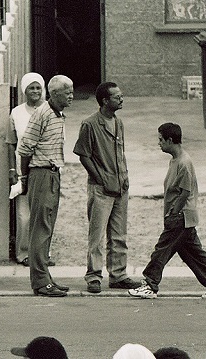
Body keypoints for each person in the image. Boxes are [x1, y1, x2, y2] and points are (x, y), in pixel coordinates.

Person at [129, 123, 206, 299]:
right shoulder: (176, 160)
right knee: (194, 255)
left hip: (181, 216)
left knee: (162, 250)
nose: (158, 143)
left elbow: (185, 192)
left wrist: (173, 212)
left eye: (161, 140)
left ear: (170, 140)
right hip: (184, 217)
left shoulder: (184, 162)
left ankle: (150, 284)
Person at [73, 82, 137, 293]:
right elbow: (83, 154)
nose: (121, 99)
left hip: (120, 186)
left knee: (119, 234)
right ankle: (94, 276)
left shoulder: (119, 123)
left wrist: (125, 176)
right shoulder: (90, 124)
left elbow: (121, 153)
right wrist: (99, 177)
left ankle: (118, 274)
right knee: (97, 235)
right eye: (117, 97)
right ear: (105, 101)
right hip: (101, 188)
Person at [17, 75, 74, 297]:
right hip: (40, 174)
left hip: (52, 174)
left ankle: (45, 276)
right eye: (67, 92)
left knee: (47, 227)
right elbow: (25, 148)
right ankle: (40, 281)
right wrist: (24, 178)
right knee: (40, 228)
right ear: (54, 93)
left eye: (71, 91)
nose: (71, 96)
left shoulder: (58, 114)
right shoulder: (43, 114)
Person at [7, 73, 46, 267]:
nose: (36, 92)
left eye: (38, 87)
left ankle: (42, 254)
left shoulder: (51, 110)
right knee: (24, 215)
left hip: (46, 168)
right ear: (24, 90)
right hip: (23, 169)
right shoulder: (16, 113)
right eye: (31, 88)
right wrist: (12, 169)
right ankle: (23, 253)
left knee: (44, 213)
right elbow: (11, 143)